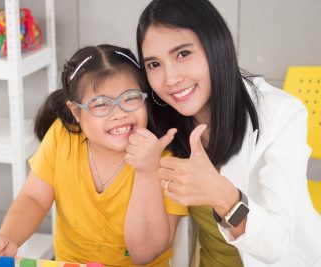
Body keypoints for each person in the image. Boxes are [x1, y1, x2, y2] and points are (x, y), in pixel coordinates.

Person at [135, 0, 321, 266]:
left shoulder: (280, 113)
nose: (170, 78)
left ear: (216, 46)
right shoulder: (163, 123)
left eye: (183, 54)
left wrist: (222, 195)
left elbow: (276, 245)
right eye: (154, 64)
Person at [0, 44, 187, 267]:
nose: (119, 113)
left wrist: (147, 171)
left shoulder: (165, 156)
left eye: (130, 98)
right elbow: (33, 198)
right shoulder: (63, 136)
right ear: (76, 112)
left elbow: (144, 254)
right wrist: (7, 238)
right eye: (100, 104)